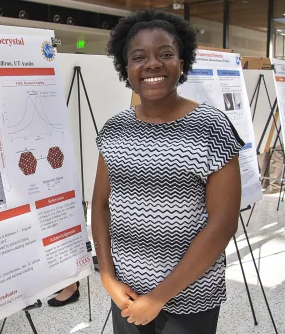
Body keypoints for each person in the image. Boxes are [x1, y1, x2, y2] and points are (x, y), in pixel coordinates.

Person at [91, 9, 243, 334]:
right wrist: (107, 277)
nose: (152, 64)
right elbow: (101, 206)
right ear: (126, 68)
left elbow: (223, 224)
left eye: (165, 54)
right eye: (138, 57)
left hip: (191, 300)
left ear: (182, 63)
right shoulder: (115, 130)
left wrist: (159, 296)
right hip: (127, 295)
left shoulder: (212, 128)